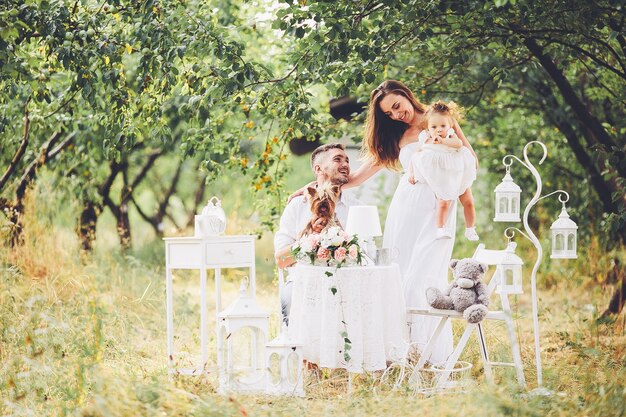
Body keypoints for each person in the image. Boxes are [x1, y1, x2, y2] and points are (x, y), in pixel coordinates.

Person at [288, 80, 478, 363]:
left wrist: (451, 186)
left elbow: (470, 160)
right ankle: (401, 356)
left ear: (406, 95)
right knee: (398, 279)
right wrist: (315, 185)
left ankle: (431, 356)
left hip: (438, 210)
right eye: (389, 113)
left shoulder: (439, 120)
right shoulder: (396, 137)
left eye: (397, 106)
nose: (396, 115)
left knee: (425, 280)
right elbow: (355, 179)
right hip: (406, 209)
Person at [274, 143, 361, 324]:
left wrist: (341, 240)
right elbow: (281, 260)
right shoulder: (297, 206)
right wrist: (309, 238)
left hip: (345, 282)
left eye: (347, 160)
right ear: (318, 168)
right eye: (338, 159)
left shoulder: (356, 207)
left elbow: (366, 256)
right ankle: (296, 351)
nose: (345, 164)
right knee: (290, 299)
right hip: (303, 283)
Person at [409, 100, 478, 241]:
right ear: (428, 128)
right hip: (443, 178)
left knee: (468, 201)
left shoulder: (450, 136)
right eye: (434, 127)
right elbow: (415, 157)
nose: (438, 129)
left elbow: (458, 144)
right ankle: (440, 229)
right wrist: (411, 172)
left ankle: (470, 229)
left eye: (443, 125)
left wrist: (442, 141)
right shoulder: (426, 139)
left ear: (450, 126)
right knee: (443, 203)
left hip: (459, 173)